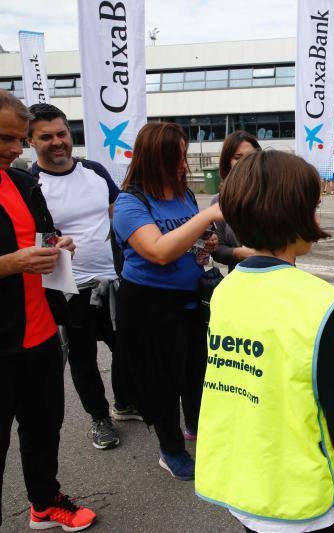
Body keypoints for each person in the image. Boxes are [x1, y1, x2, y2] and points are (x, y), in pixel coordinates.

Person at [196, 150, 334, 533]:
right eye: (312, 205)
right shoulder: (321, 304)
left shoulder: (226, 290)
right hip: (302, 499)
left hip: (246, 489)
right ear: (296, 216)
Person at [0, 90, 96, 531]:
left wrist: (56, 246)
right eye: (4, 138)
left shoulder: (20, 180)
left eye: (18, 140)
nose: (14, 150)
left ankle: (44, 503)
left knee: (44, 430)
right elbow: (15, 256)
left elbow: (41, 234)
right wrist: (9, 263)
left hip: (39, 332)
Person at [113, 122, 222, 481]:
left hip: (188, 300)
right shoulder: (131, 202)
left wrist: (204, 242)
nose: (183, 163)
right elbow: (158, 251)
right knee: (161, 380)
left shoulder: (184, 194)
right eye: (175, 156)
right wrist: (207, 217)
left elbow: (186, 239)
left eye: (183, 154)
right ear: (153, 158)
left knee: (194, 371)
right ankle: (170, 449)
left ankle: (194, 427)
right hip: (148, 305)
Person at [28, 103, 140, 452]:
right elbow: (33, 239)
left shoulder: (94, 170)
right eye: (45, 137)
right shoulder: (31, 184)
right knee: (83, 359)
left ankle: (125, 403)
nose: (56, 142)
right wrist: (55, 244)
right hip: (71, 290)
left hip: (115, 281)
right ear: (31, 141)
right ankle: (99, 417)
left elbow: (118, 215)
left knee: (126, 348)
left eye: (61, 133)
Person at [211, 130, 259, 270]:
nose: (245, 162)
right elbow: (217, 250)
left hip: (278, 280)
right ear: (227, 162)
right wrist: (237, 253)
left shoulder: (276, 193)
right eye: (238, 157)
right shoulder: (220, 201)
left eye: (251, 156)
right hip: (239, 282)